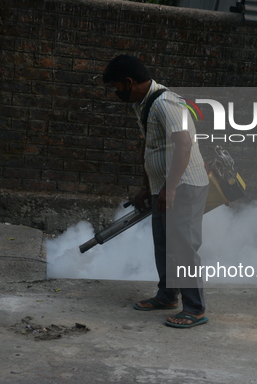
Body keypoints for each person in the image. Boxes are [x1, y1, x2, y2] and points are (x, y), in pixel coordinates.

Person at [103, 55, 210, 328]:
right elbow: (151, 148)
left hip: (182, 186)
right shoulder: (144, 104)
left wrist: (170, 188)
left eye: (117, 87)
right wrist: (147, 187)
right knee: (164, 244)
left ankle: (195, 309)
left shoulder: (166, 103)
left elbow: (184, 144)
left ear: (129, 82)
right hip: (164, 186)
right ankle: (167, 296)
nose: (116, 94)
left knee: (184, 247)